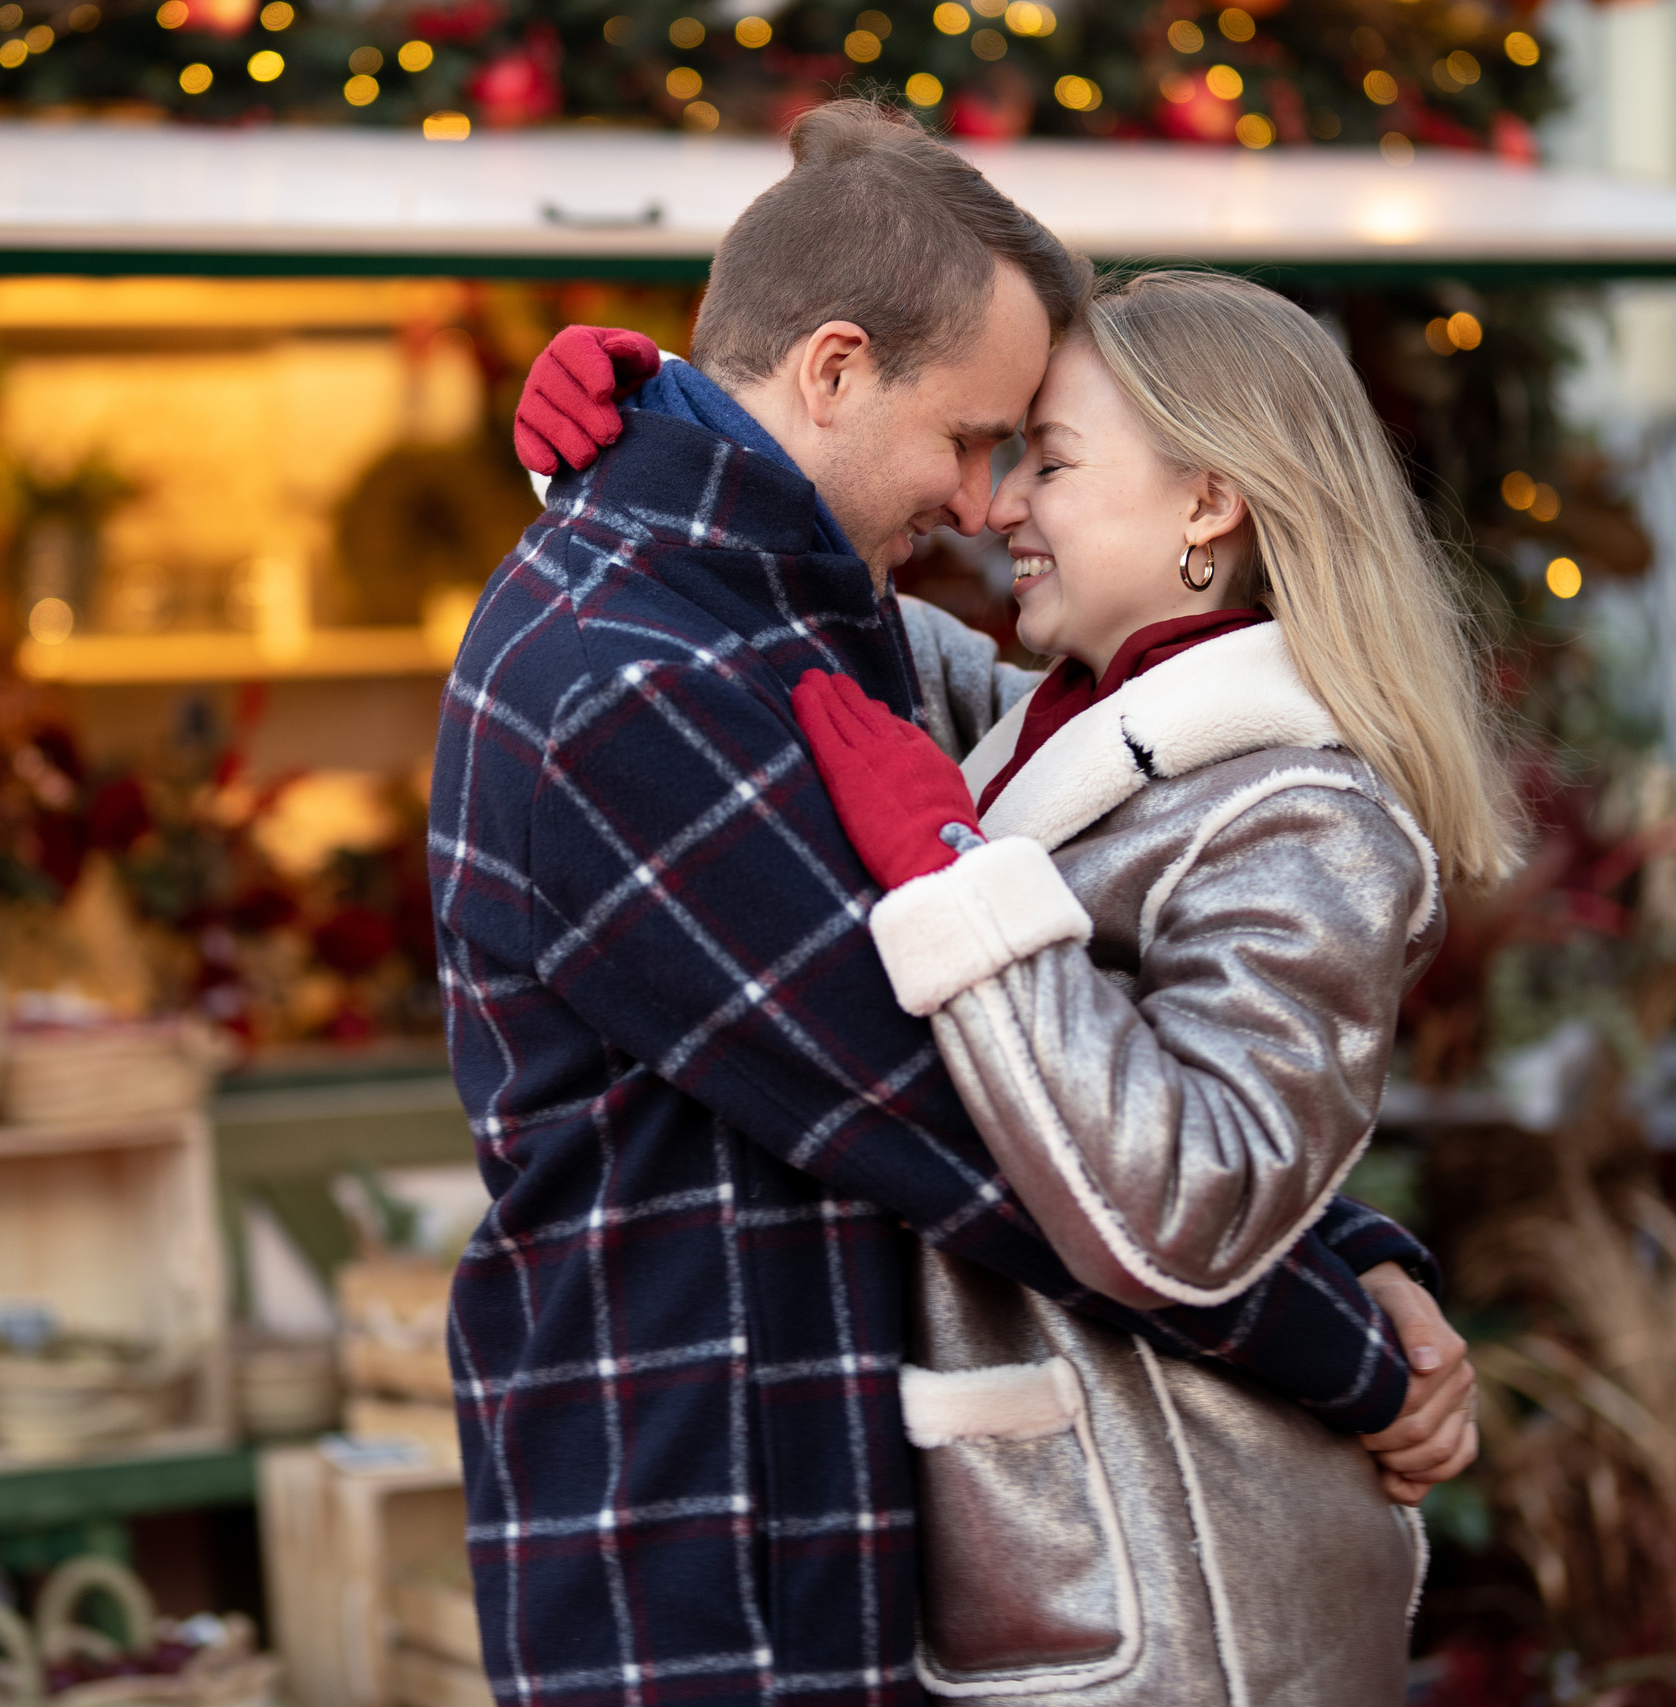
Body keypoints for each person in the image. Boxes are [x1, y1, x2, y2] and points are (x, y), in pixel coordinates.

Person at [433, 101, 1467, 1707]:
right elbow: (963, 1128)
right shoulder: (639, 681)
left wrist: (1350, 1241)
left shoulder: (810, 631)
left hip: (841, 1529)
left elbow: (1122, 1068)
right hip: (704, 1558)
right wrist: (1366, 1353)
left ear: (1215, 505)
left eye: (1037, 456)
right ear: (835, 372)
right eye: (987, 442)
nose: (989, 505)